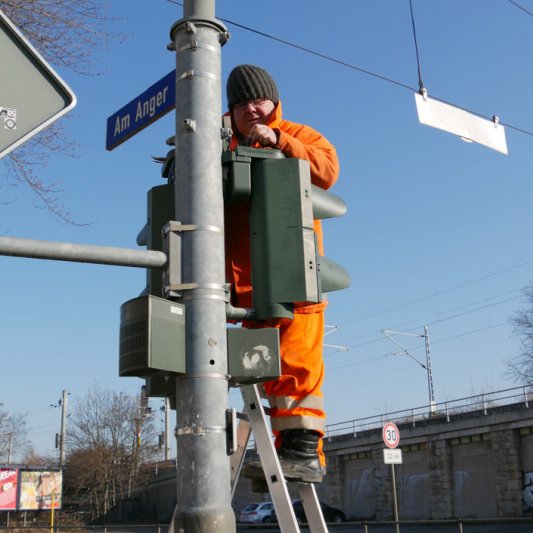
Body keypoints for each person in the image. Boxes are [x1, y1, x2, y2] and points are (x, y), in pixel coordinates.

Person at [224, 64, 340, 484]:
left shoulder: (299, 133)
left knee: (297, 365)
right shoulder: (219, 145)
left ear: (274, 102)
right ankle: (283, 450)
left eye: (258, 100)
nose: (251, 110)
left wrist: (282, 142)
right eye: (240, 104)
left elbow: (327, 169)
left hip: (294, 278)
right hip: (247, 288)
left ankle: (305, 452)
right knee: (265, 371)